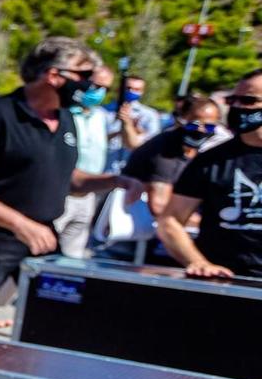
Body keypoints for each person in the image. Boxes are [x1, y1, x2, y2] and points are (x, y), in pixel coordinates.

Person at [0, 37, 117, 314]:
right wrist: (20, 224)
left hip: (45, 237)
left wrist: (115, 181)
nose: (89, 84)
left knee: (53, 315)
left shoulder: (65, 118)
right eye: (84, 76)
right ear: (53, 75)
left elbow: (67, 178)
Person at [158, 71, 262, 279]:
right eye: (232, 100)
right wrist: (197, 261)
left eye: (248, 100)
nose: (237, 107)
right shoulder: (211, 159)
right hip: (224, 282)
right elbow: (170, 221)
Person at [121, 93, 222, 220]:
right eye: (194, 124)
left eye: (209, 127)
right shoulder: (165, 150)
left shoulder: (194, 149)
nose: (201, 130)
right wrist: (210, 225)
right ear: (181, 120)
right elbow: (159, 207)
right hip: (137, 227)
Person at [55, 62, 120, 258]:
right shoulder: (61, 113)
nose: (98, 92)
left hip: (87, 194)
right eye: (95, 85)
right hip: (60, 192)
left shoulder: (100, 116)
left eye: (105, 88)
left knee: (72, 254)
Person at [112, 73, 158, 166]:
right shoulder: (103, 111)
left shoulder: (149, 115)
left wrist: (135, 129)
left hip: (130, 167)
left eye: (136, 89)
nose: (131, 91)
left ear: (142, 92)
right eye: (128, 88)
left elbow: (152, 144)